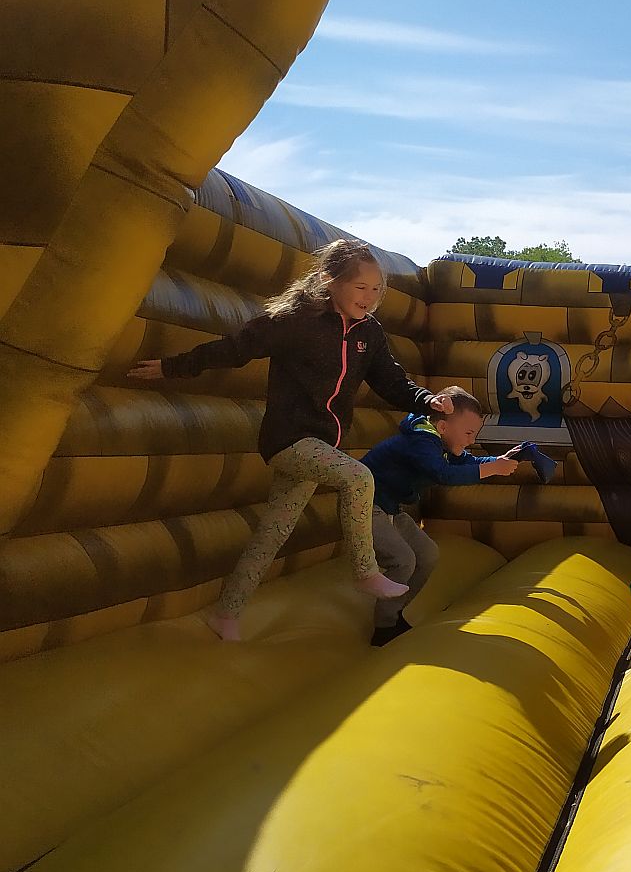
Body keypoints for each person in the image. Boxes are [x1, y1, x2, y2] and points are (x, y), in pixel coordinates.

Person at [127, 239, 448, 640]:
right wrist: (172, 367)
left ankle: (226, 614)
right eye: (360, 287)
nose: (369, 297)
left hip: (322, 447)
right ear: (330, 280)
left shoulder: (368, 332)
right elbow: (236, 349)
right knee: (358, 477)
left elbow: (391, 380)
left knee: (272, 533)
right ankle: (366, 571)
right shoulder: (296, 320)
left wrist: (427, 400)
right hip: (289, 439)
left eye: (376, 289)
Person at [361, 386, 557, 645]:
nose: (471, 440)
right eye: (468, 433)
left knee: (428, 554)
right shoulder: (421, 441)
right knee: (403, 559)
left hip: (390, 508)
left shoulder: (438, 441)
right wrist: (493, 469)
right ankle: (385, 626)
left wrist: (499, 460)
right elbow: (443, 474)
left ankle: (395, 612)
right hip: (366, 506)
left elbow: (465, 461)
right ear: (443, 427)